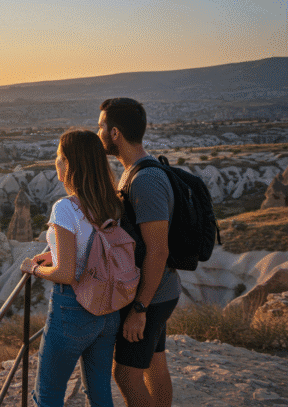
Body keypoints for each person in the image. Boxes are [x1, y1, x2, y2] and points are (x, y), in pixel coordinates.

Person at [20, 129, 123, 407]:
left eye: (58, 157)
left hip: (73, 308)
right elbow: (92, 250)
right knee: (99, 390)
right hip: (110, 308)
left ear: (69, 163)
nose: (56, 162)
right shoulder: (112, 204)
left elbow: (67, 273)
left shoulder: (65, 208)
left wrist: (35, 269)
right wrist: (54, 256)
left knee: (49, 395)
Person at [97, 98, 180, 407]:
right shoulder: (135, 172)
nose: (99, 131)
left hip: (152, 295)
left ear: (115, 132)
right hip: (160, 290)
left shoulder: (145, 180)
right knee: (155, 364)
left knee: (126, 375)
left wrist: (139, 309)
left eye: (101, 126)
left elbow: (158, 251)